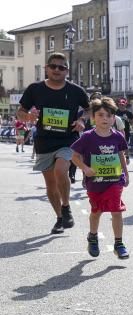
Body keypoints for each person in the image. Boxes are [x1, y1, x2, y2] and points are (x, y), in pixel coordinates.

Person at [17, 52, 90, 234]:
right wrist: (27, 116)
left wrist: (82, 120)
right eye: (53, 66)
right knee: (50, 185)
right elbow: (20, 111)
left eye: (61, 67)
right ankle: (59, 217)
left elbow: (90, 109)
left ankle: (66, 206)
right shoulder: (35, 89)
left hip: (68, 140)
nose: (57, 70)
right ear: (46, 69)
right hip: (44, 141)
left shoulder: (76, 91)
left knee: (60, 170)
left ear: (67, 71)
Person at [70, 97, 130, 259]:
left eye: (109, 115)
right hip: (95, 182)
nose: (105, 118)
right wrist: (85, 168)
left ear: (114, 118)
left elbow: (120, 154)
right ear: (93, 117)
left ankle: (119, 243)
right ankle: (93, 237)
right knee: (96, 211)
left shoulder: (118, 136)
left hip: (114, 180)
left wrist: (126, 173)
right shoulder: (88, 137)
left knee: (116, 210)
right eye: (101, 115)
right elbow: (74, 156)